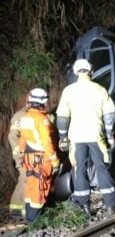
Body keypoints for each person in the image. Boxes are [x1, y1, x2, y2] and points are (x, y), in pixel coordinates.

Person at [56, 58, 115, 217]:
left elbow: (62, 117)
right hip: (95, 135)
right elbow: (110, 114)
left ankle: (84, 205)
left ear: (76, 72)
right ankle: (111, 205)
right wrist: (110, 134)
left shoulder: (69, 91)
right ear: (90, 71)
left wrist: (63, 137)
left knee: (79, 169)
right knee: (102, 168)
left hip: (76, 137)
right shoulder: (99, 89)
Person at [18, 88, 60, 222]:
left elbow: (22, 139)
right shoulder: (42, 120)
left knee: (31, 186)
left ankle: (30, 216)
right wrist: (55, 161)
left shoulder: (25, 117)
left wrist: (21, 154)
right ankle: (36, 219)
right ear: (44, 102)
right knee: (40, 187)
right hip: (42, 158)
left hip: (28, 158)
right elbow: (47, 142)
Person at [8, 104, 27, 219]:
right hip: (22, 155)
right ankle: (27, 213)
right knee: (27, 179)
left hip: (28, 154)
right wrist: (19, 155)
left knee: (23, 179)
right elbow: (13, 137)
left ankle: (16, 208)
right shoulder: (20, 115)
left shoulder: (32, 113)